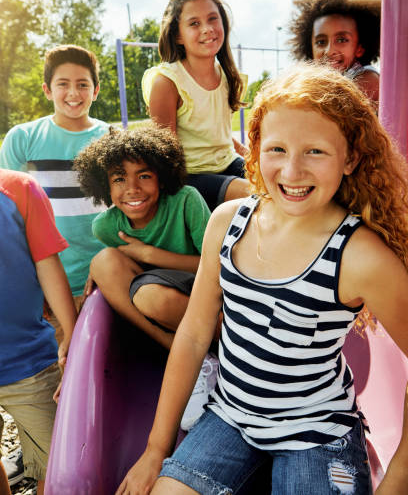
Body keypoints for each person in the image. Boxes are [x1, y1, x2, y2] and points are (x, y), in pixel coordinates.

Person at [116, 62, 408, 495]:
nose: (291, 172)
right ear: (254, 149)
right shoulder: (228, 223)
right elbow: (195, 335)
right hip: (231, 416)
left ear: (350, 158)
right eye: (276, 150)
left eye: (315, 151)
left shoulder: (361, 256)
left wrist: (399, 478)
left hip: (318, 433)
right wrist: (156, 449)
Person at [74, 124, 215, 429]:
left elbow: (217, 266)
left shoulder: (186, 201)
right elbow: (118, 266)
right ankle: (190, 357)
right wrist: (98, 271)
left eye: (144, 175)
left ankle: (206, 351)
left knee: (153, 297)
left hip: (201, 297)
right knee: (102, 261)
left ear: (162, 179)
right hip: (157, 309)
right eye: (119, 179)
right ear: (105, 187)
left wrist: (151, 255)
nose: (132, 188)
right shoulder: (107, 226)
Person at [0, 45, 108, 321]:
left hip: (105, 281)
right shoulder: (22, 139)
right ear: (47, 89)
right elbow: (10, 220)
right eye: (63, 84)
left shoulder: (111, 137)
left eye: (83, 84)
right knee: (60, 359)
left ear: (95, 91)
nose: (73, 93)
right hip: (48, 286)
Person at [0, 169, 77, 495]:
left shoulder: (19, 189)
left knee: (60, 465)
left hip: (27, 360)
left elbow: (48, 262)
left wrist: (72, 333)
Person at [141, 0, 249, 211]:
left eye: (212, 19)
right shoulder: (168, 82)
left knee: (273, 179)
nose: (207, 29)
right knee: (251, 192)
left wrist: (252, 157)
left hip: (226, 163)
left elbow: (217, 135)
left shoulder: (227, 77)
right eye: (194, 23)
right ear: (178, 35)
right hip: (190, 175)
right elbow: (164, 154)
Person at [288, 0, 381, 104]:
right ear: (310, 48)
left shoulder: (367, 79)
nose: (329, 50)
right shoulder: (326, 82)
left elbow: (333, 115)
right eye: (321, 42)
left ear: (359, 48)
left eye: (342, 40)